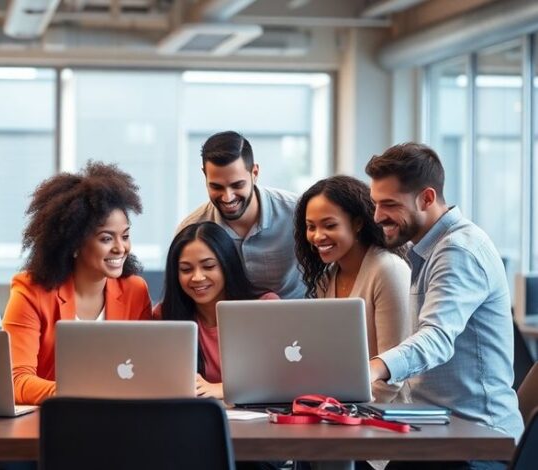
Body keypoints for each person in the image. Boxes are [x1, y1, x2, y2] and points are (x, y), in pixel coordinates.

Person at [366, 143, 522, 469]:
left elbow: (436, 339)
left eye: (389, 204)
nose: (378, 216)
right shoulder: (427, 250)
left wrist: (373, 368)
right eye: (376, 204)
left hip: (476, 443)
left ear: (426, 198)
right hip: (437, 433)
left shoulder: (458, 251)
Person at [3, 161, 152, 405]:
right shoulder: (30, 292)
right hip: (52, 421)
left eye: (125, 236)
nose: (120, 247)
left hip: (121, 417)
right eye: (106, 238)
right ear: (73, 243)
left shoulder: (135, 291)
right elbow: (17, 380)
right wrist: (84, 394)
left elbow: (146, 369)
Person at [294, 175, 411, 403]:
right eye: (311, 227)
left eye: (330, 225)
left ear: (357, 223)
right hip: (344, 406)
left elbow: (393, 373)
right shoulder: (326, 279)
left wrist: (343, 410)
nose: (317, 236)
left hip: (386, 413)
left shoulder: (388, 269)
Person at [155, 222, 278, 400]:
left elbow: (282, 376)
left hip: (258, 418)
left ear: (227, 264)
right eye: (186, 269)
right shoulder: (165, 315)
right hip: (197, 417)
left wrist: (223, 388)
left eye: (209, 266)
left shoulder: (265, 306)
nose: (197, 277)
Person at [177, 131, 304, 299]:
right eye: (216, 187)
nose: (227, 197)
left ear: (255, 173)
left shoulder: (298, 213)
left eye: (237, 185)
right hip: (227, 323)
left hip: (299, 318)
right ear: (204, 175)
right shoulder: (192, 229)